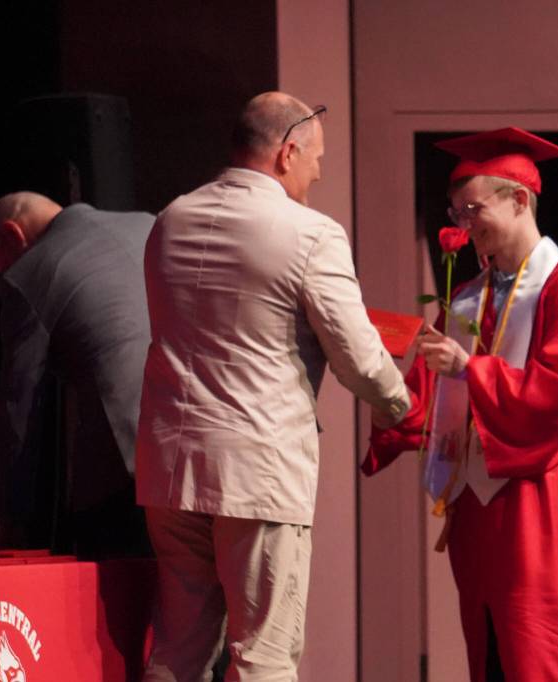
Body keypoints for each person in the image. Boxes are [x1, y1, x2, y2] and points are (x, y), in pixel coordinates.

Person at [136, 91, 410, 681]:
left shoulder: (171, 219)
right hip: (256, 470)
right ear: (287, 153)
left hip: (170, 466)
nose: (319, 172)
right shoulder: (310, 233)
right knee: (264, 657)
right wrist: (399, 406)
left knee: (176, 652)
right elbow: (360, 359)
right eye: (315, 159)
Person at [363, 128, 558, 681]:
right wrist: (385, 398)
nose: (463, 224)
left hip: (537, 495)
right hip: (475, 507)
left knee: (542, 647)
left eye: (473, 209)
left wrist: (470, 370)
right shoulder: (464, 298)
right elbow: (426, 400)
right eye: (455, 211)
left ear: (518, 199)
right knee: (488, 652)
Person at [0, 191, 154, 558]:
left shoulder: (31, 271)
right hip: (212, 446)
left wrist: (12, 524)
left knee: (119, 603)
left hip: (128, 463)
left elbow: (20, 409)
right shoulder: (148, 223)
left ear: (10, 236)